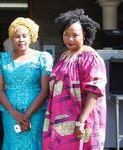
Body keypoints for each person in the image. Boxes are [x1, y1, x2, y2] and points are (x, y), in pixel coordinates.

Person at [42, 9, 107, 150]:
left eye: (74, 35)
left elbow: (94, 92)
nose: (69, 39)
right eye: (66, 34)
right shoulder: (65, 55)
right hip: (60, 120)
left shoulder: (90, 57)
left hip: (81, 121)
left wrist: (81, 122)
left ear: (84, 34)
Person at [0, 17, 53, 149]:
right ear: (11, 38)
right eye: (17, 36)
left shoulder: (42, 58)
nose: (21, 39)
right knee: (12, 145)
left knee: (33, 144)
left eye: (24, 36)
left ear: (31, 37)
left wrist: (26, 115)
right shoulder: (2, 58)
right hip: (10, 115)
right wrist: (13, 112)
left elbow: (45, 90)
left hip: (35, 113)